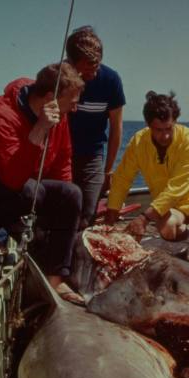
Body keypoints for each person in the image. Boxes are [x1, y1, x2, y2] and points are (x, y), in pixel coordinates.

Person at [0, 62, 86, 305]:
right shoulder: (0, 114)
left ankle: (56, 279)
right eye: (72, 101)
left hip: (16, 185)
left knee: (71, 194)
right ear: (51, 98)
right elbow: (12, 177)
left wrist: (58, 213)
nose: (75, 108)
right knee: (31, 192)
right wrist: (39, 129)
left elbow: (63, 162)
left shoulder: (59, 117)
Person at [104, 91, 189, 256]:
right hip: (172, 205)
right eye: (158, 130)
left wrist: (144, 218)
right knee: (168, 230)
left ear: (175, 121)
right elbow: (122, 178)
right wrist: (112, 212)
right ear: (148, 124)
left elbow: (177, 187)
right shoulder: (138, 142)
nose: (165, 135)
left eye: (169, 128)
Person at [65, 25, 126, 229]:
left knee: (87, 213)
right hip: (61, 156)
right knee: (63, 209)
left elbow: (116, 128)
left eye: (97, 64)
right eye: (88, 66)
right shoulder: (58, 78)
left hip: (93, 156)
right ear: (72, 63)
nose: (94, 71)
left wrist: (108, 171)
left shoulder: (111, 80)